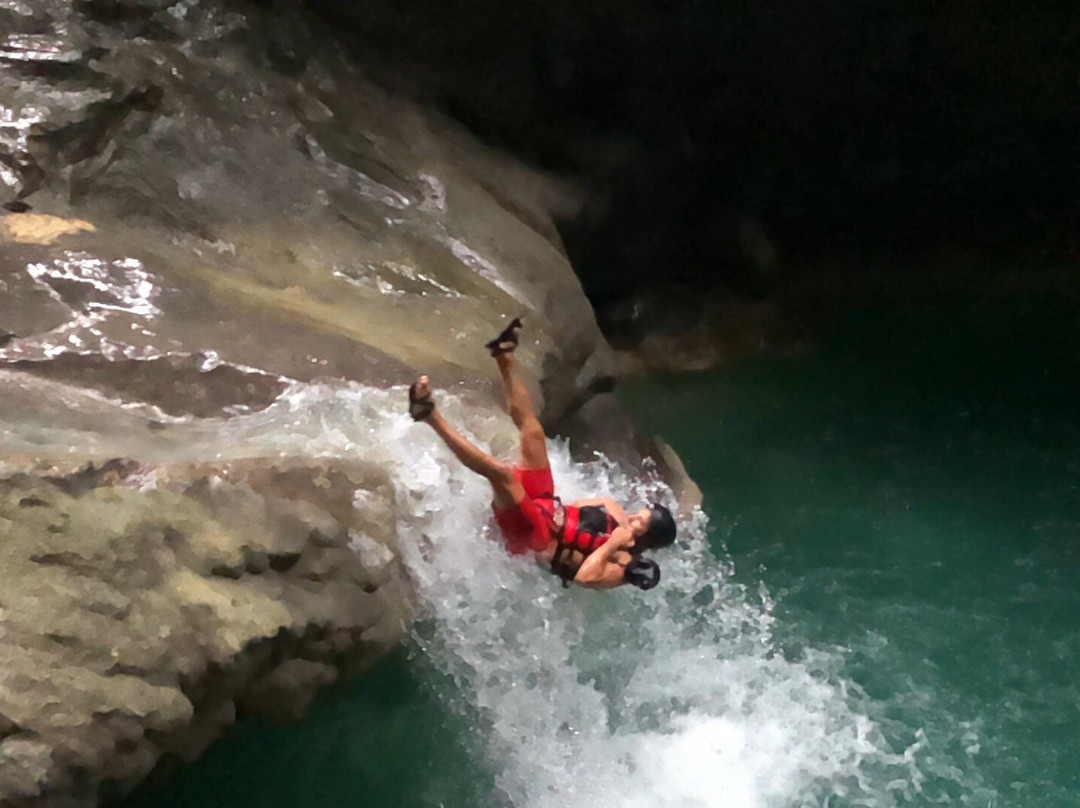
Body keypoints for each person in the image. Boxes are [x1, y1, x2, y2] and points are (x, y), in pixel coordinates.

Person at [407, 317, 677, 590]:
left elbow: (585, 577)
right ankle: (504, 354)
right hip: (546, 506)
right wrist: (593, 518)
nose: (633, 517)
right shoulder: (620, 517)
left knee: (502, 475)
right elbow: (600, 502)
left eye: (640, 522)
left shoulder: (621, 569)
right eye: (639, 514)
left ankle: (429, 414)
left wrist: (615, 542)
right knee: (534, 434)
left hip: (532, 536)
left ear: (647, 539)